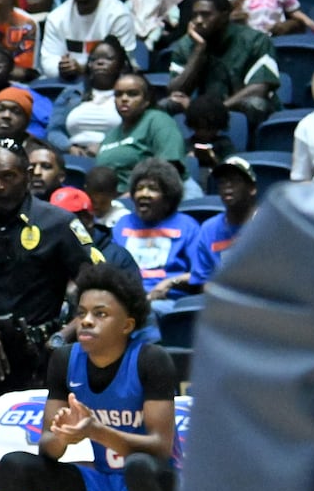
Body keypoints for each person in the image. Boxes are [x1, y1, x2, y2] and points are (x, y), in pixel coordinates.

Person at [0, 264, 177, 491]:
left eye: (100, 314)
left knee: (137, 466)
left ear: (127, 325)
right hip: (101, 486)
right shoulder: (64, 359)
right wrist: (62, 436)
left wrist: (96, 431)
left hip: (154, 486)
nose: (87, 320)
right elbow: (47, 448)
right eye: (81, 313)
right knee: (15, 465)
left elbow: (160, 448)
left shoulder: (151, 360)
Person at [0, 140, 100, 413]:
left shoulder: (59, 223)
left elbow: (99, 289)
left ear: (27, 175)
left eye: (7, 177)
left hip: (39, 354)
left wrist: (63, 337)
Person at [166, 0, 282, 127]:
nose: (198, 21)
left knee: (256, 104)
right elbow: (176, 90)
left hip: (239, 105)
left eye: (206, 15)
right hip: (202, 108)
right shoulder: (187, 44)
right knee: (167, 104)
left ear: (224, 16)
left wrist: (217, 109)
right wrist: (198, 51)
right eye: (195, 16)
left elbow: (259, 87)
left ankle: (255, 146)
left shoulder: (255, 40)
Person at [113, 159, 200, 313]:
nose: (144, 194)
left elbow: (201, 273)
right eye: (139, 188)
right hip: (125, 300)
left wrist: (170, 283)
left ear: (168, 197)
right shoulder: (123, 223)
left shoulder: (187, 226)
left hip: (166, 301)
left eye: (153, 189)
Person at [94, 74, 188, 191]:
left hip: (156, 195)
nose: (124, 99)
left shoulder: (158, 120)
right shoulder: (111, 135)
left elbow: (169, 169)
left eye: (132, 94)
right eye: (118, 94)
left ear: (146, 100)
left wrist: (130, 196)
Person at [188, 156, 258, 290]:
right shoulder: (209, 229)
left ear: (252, 188)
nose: (228, 185)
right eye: (222, 181)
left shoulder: (270, 224)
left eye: (235, 180)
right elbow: (202, 280)